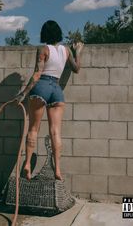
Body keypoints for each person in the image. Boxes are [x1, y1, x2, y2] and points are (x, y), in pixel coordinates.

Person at [15, 20, 84, 180]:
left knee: (33, 129)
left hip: (42, 87)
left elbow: (37, 73)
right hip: (57, 90)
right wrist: (78, 51)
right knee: (55, 132)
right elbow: (76, 69)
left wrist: (23, 94)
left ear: (44, 34)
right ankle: (58, 169)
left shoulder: (43, 49)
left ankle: (27, 164)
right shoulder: (66, 51)